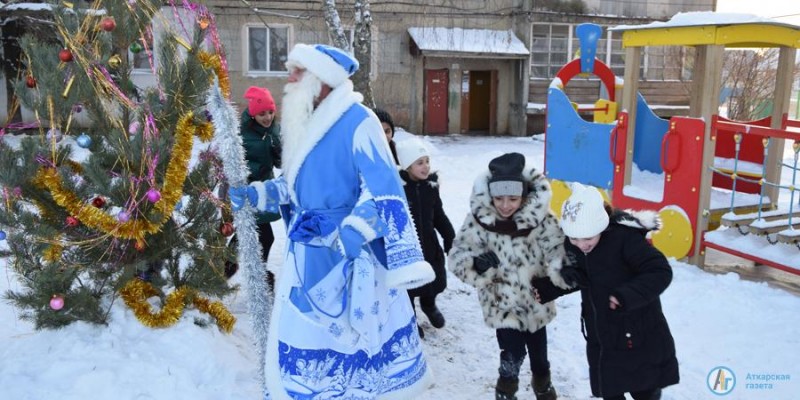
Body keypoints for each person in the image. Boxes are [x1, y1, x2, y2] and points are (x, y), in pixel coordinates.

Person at [228, 43, 434, 399]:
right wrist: (257, 194)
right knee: (307, 332)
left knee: (349, 338)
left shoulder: (360, 122)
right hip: (306, 252)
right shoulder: (305, 121)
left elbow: (384, 190)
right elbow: (296, 185)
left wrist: (357, 228)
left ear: (321, 79)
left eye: (297, 71)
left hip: (348, 256)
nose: (289, 79)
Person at [531, 183, 679, 400]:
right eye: (574, 239)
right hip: (602, 333)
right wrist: (551, 286)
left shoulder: (626, 240)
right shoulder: (576, 244)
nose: (581, 245)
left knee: (644, 388)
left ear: (601, 225)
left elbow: (660, 271)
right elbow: (583, 275)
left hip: (638, 331)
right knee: (610, 388)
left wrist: (626, 295)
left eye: (587, 238)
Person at [448, 152, 568, 400]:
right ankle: (506, 388)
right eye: (499, 198)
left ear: (524, 196)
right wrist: (477, 265)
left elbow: (558, 247)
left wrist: (558, 276)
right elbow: (458, 255)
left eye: (513, 198)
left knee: (539, 354)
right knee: (511, 354)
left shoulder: (540, 219)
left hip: (536, 301)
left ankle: (542, 383)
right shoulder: (479, 220)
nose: (505, 205)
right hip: (501, 302)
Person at [395, 137, 455, 338]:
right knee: (410, 287)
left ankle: (429, 305)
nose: (426, 166)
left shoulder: (431, 188)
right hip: (409, 249)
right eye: (419, 163)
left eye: (427, 161)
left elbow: (439, 215)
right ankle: (410, 318)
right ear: (407, 165)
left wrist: (449, 237)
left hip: (430, 246)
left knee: (434, 280)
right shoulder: (399, 189)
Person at [224, 86, 282, 286]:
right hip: (247, 192)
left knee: (254, 234)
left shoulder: (273, 131)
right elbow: (233, 162)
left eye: (270, 112)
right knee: (260, 235)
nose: (267, 117)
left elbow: (280, 162)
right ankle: (254, 275)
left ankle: (238, 269)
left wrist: (281, 151)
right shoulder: (243, 134)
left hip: (264, 192)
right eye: (262, 113)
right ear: (253, 114)